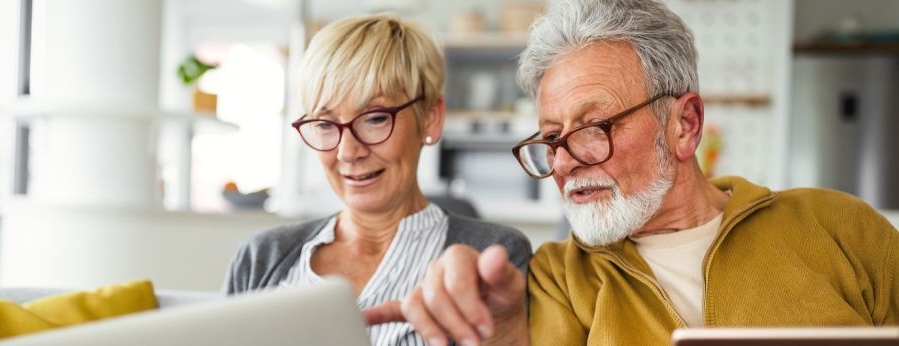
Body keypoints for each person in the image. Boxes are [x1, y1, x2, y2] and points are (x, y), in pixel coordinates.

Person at [364, 0, 899, 344]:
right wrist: (503, 334)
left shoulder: (841, 227)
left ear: (684, 125)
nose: (565, 162)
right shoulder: (561, 276)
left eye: (594, 126)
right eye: (551, 138)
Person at [222, 13, 532, 346]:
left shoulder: (495, 261)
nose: (347, 151)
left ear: (430, 118)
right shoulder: (261, 258)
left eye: (374, 118)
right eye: (325, 125)